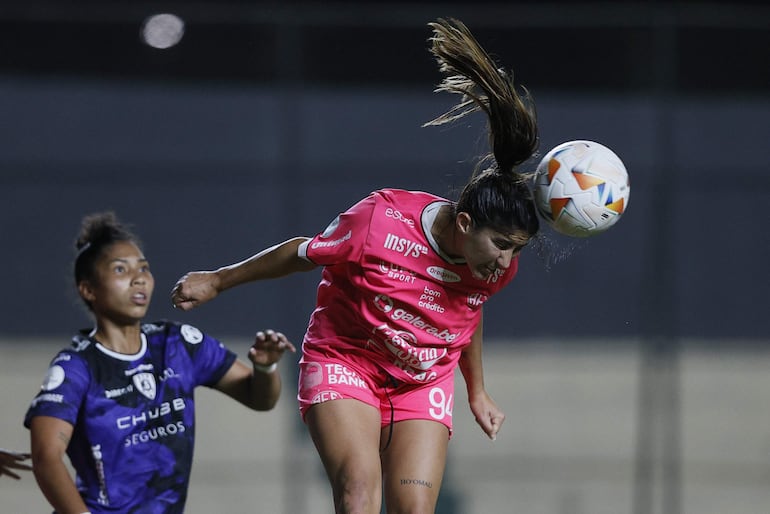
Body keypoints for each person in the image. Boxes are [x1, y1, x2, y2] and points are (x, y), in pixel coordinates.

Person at [171, 17, 540, 514]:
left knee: (413, 508)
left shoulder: (494, 267)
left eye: (516, 249)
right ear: (466, 222)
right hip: (347, 364)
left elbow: (466, 313)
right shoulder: (380, 223)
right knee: (359, 490)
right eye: (500, 244)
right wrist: (218, 280)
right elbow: (300, 253)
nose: (506, 261)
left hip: (422, 382)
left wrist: (477, 390)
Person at [24, 212, 295, 514]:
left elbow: (259, 399)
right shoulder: (76, 367)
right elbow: (46, 457)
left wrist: (264, 367)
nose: (138, 278)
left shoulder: (177, 343)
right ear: (88, 289)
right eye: (120, 269)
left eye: (144, 268)